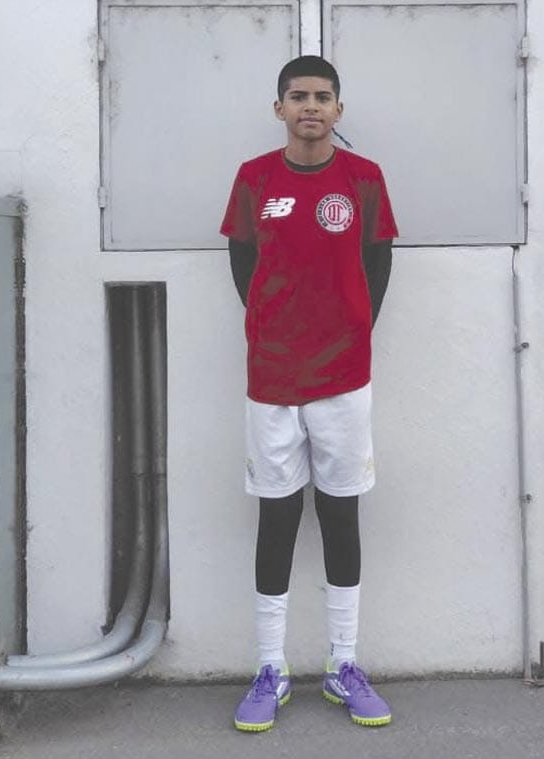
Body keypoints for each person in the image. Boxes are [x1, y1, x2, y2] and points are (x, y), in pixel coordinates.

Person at [220, 55, 398, 732]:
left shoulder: (365, 179)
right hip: (271, 378)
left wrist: (347, 329)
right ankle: (270, 668)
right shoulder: (253, 178)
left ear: (338, 109)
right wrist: (276, 330)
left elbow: (379, 262)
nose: (311, 107)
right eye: (298, 96)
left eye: (323, 97)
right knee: (277, 517)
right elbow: (243, 261)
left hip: (343, 378)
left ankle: (343, 664)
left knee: (341, 514)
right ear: (280, 108)